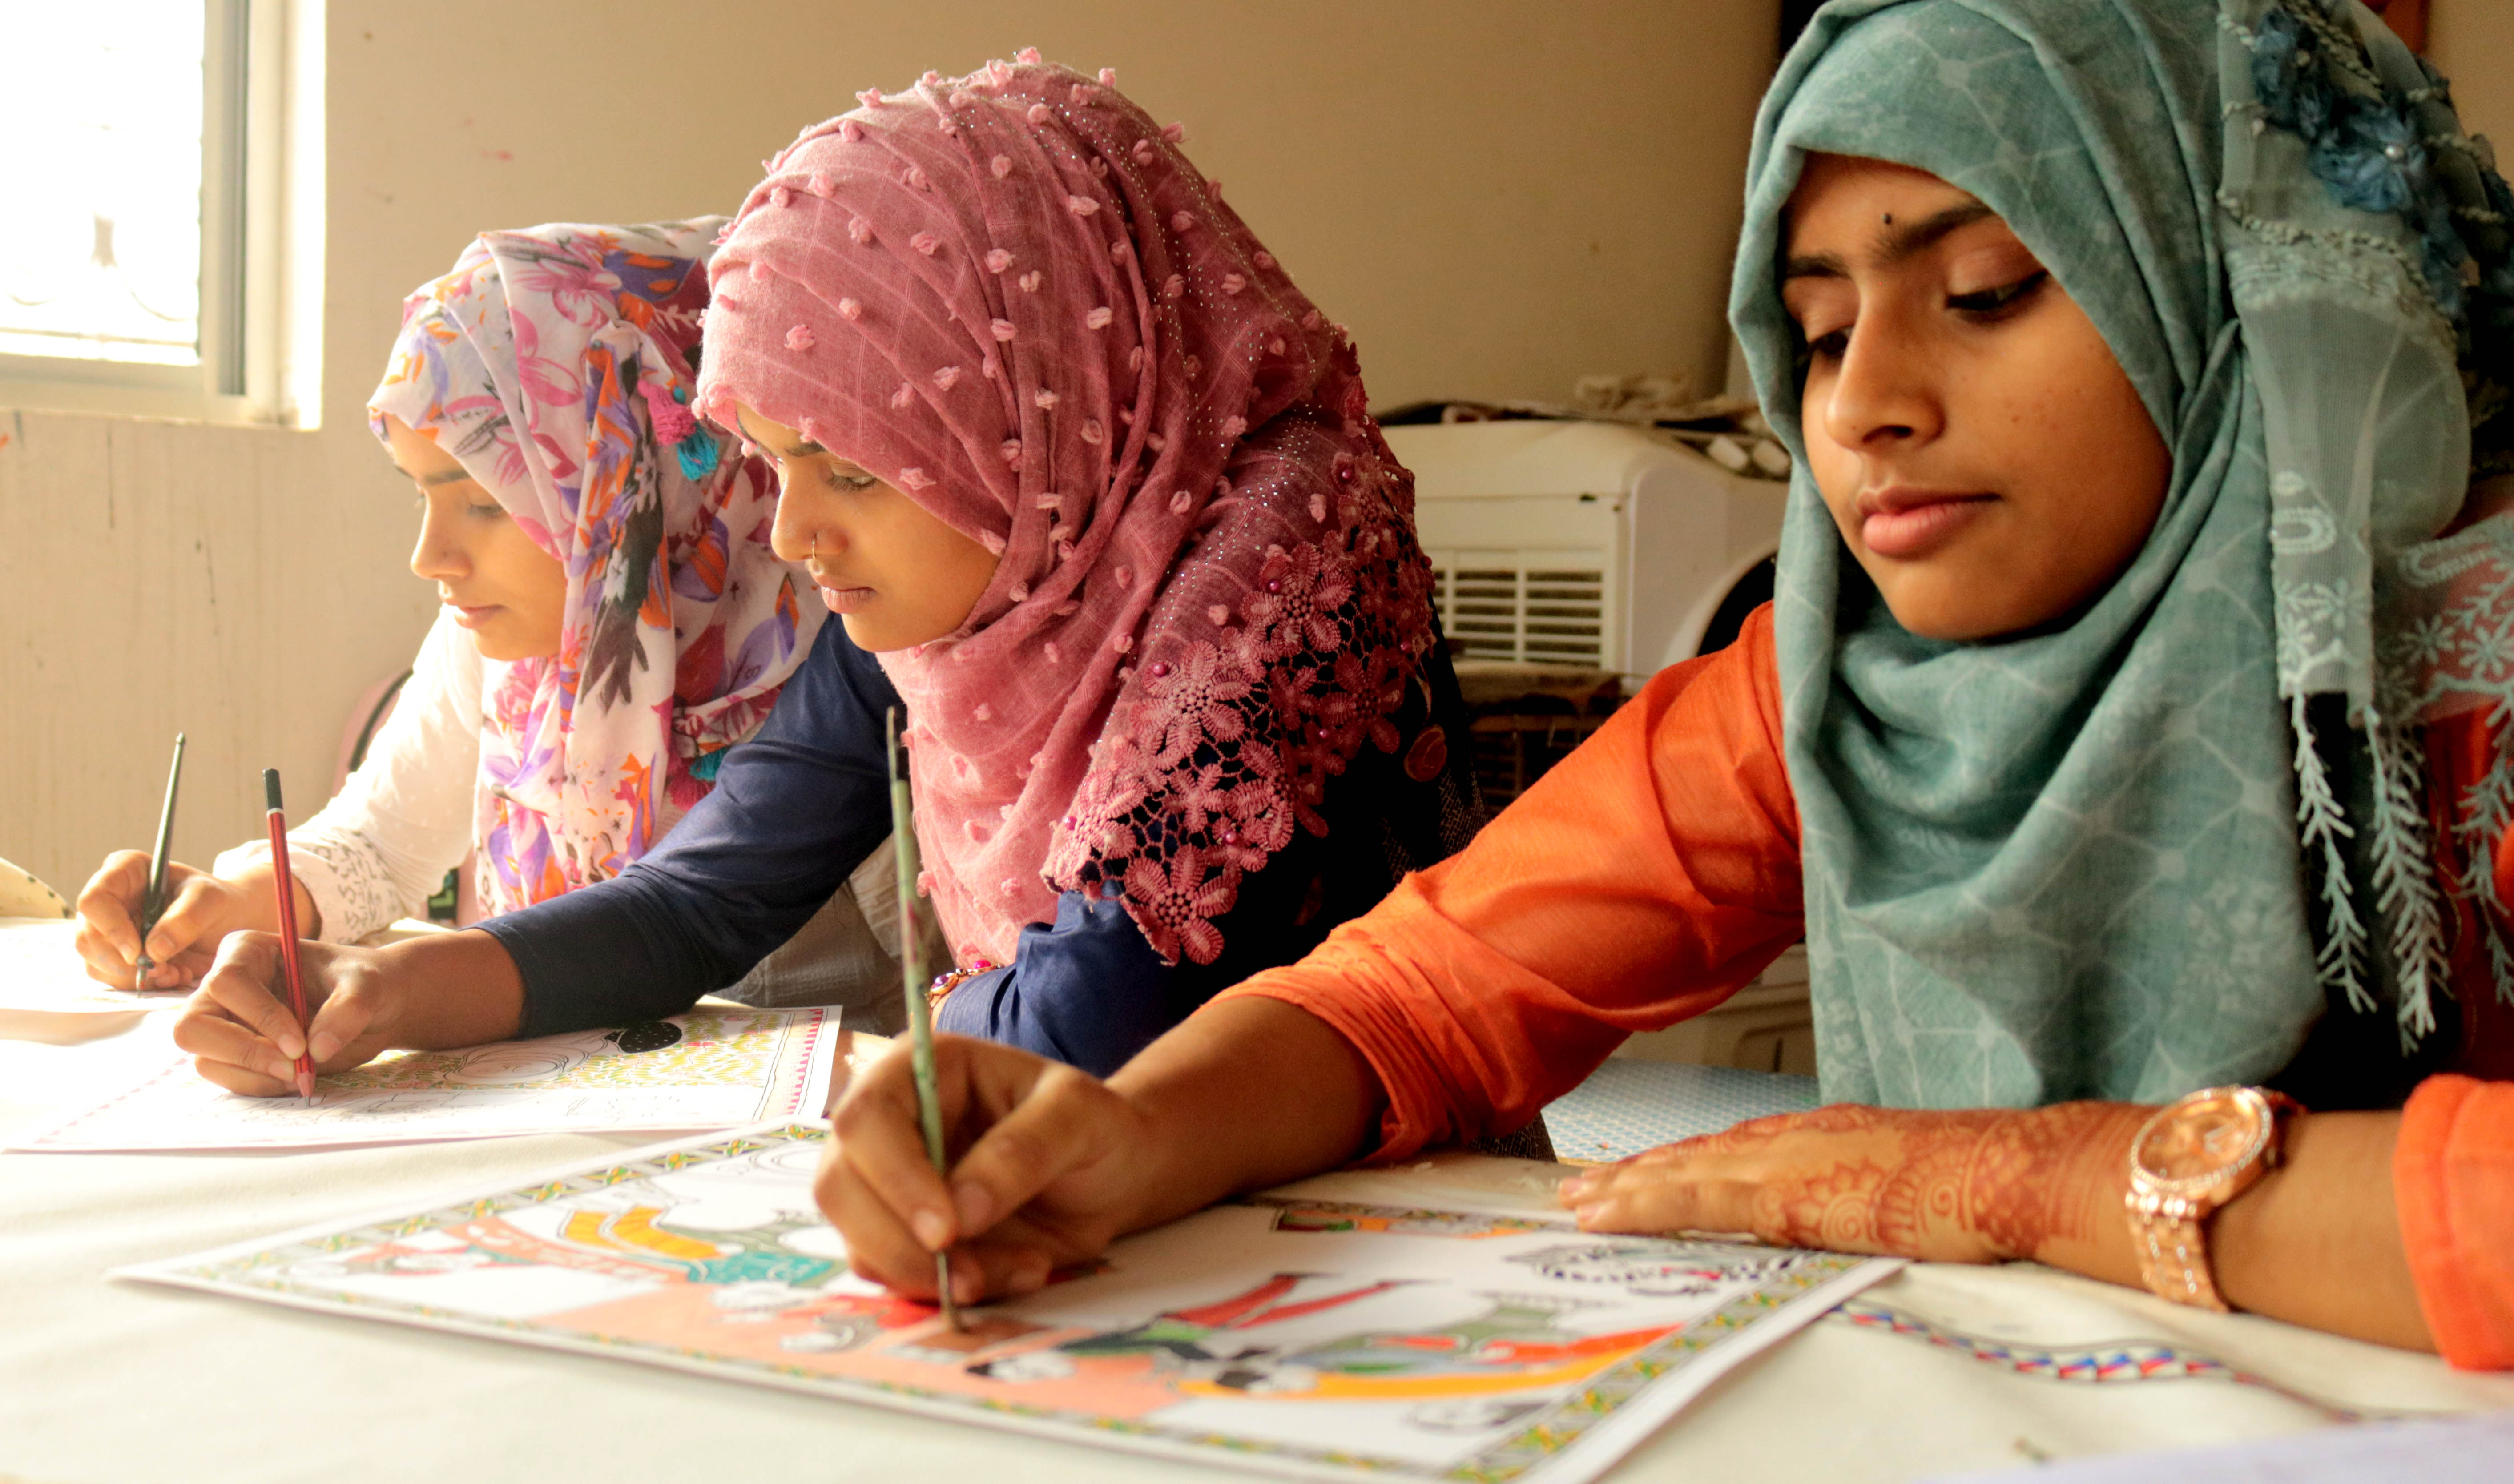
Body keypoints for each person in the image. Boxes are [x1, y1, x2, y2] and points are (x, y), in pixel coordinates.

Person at [814, 0, 2514, 1368]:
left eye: (1985, 291)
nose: (1862, 410)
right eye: (1821, 328)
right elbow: (1427, 983)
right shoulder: (1843, 679)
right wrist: (1122, 1132)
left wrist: (2023, 1170)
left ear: (2227, 299)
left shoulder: (2474, 668)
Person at [169, 56, 1486, 1092]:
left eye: (850, 470)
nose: (791, 536)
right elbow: (706, 898)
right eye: (775, 463)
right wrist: (384, 987)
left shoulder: (1281, 568)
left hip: (1372, 1239)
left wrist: (888, 1040)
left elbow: (1100, 1023)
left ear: (1037, 409)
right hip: (1075, 1202)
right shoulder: (964, 590)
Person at [77, 222, 909, 1020]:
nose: (429, 556)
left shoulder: (851, 635)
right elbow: (382, 846)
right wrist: (228, 904)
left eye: (484, 502)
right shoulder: (512, 642)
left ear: (638, 483)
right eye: (422, 491)